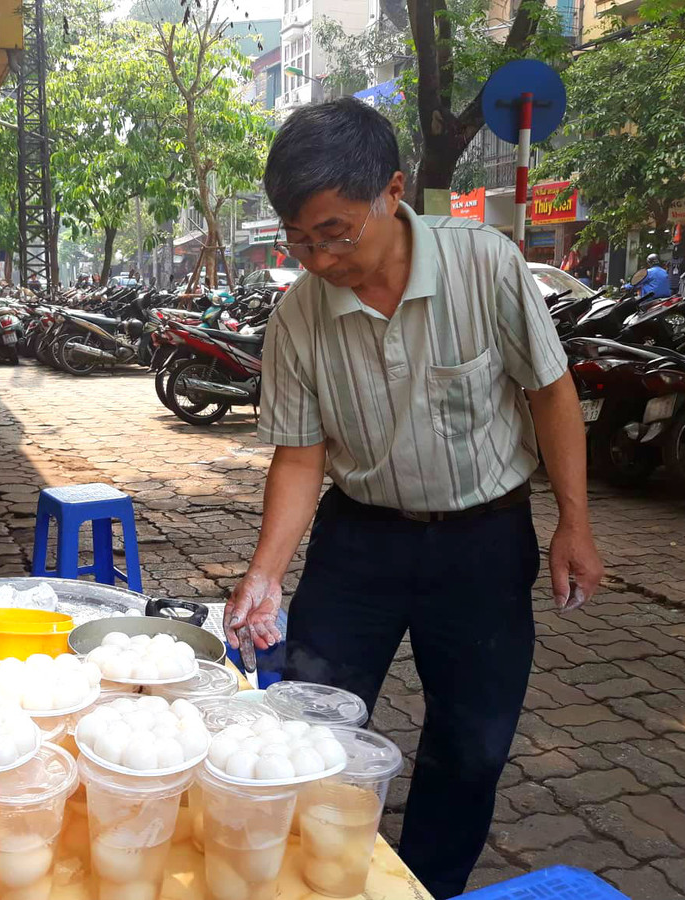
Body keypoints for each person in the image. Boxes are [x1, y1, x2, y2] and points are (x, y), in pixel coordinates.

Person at [225, 99, 603, 899]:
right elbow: (300, 455)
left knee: (471, 747)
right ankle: (311, 879)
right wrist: (266, 573)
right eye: (300, 239)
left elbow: (550, 391)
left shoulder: (484, 264)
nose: (320, 258)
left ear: (392, 192)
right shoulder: (297, 317)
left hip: (483, 542)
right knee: (310, 725)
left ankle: (427, 885)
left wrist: (574, 521)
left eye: (336, 232)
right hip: (359, 543)